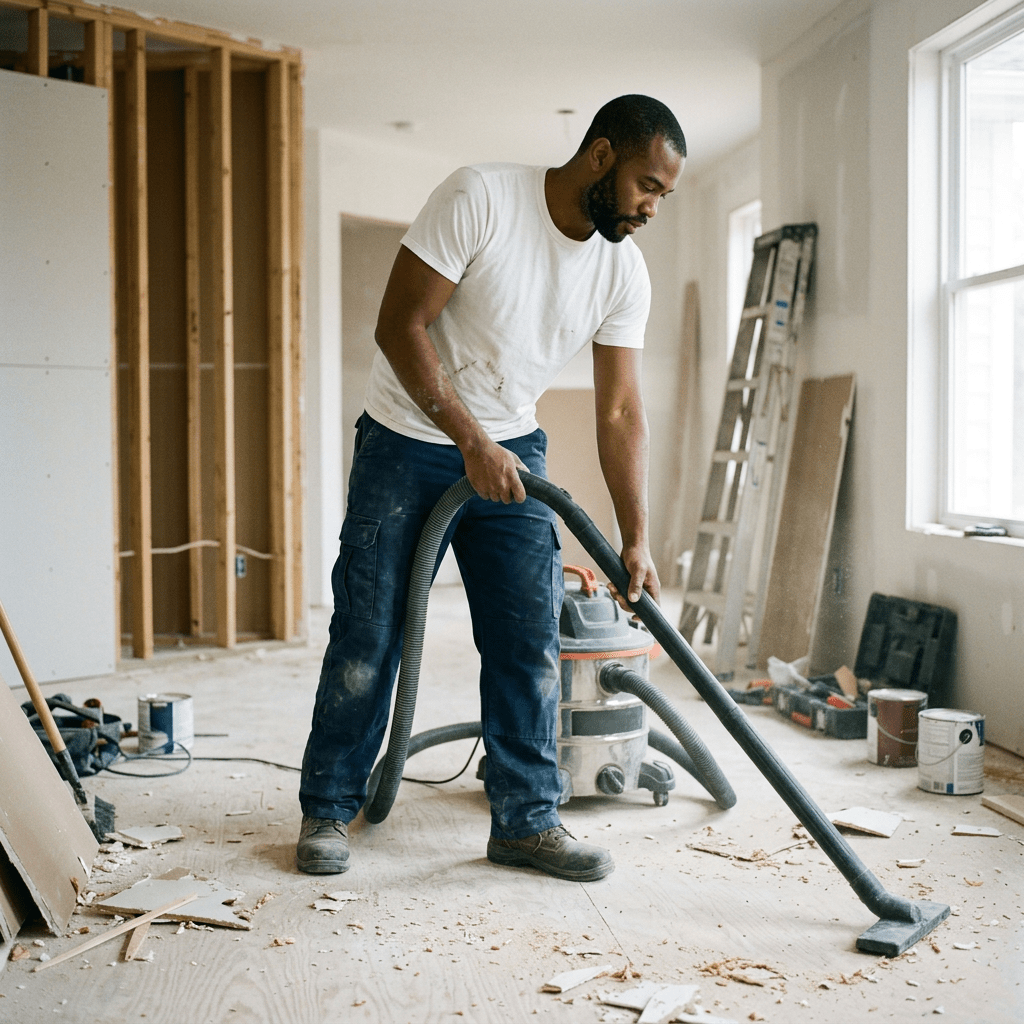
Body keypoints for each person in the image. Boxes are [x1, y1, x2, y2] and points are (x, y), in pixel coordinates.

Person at [297, 94, 685, 882]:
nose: (651, 208)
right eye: (648, 185)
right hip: (405, 440)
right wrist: (469, 439)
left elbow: (618, 409)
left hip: (514, 449)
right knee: (369, 635)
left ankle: (525, 821)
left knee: (526, 638)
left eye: (665, 196)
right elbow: (399, 325)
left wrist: (636, 536)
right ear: (603, 156)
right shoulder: (481, 197)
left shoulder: (622, 269)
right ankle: (328, 807)